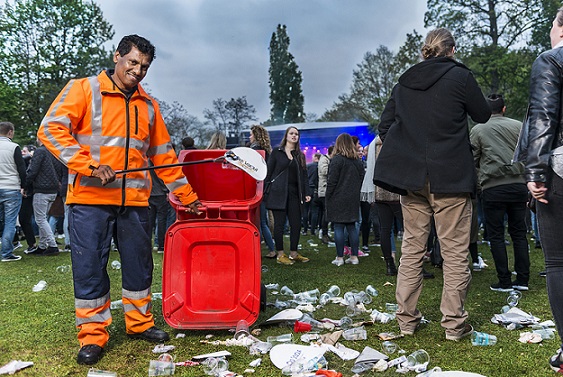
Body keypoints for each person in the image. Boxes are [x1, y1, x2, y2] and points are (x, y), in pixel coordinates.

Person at [38, 34, 202, 366]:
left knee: (140, 267)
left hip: (136, 203)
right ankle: (93, 335)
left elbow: (165, 157)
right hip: (89, 200)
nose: (138, 71)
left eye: (144, 67)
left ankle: (139, 324)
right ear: (117, 57)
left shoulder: (150, 106)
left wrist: (187, 196)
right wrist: (91, 165)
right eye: (132, 63)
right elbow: (51, 129)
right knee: (90, 269)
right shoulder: (83, 89)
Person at [373, 28, 491, 341]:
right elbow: (482, 114)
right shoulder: (460, 77)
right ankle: (454, 325)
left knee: (412, 250)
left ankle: (406, 322)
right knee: (454, 254)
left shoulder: (404, 82)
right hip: (449, 176)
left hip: (412, 179)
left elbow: (384, 127)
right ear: (452, 48)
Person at [514, 7, 563, 371]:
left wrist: (536, 171)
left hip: (560, 170)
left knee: (559, 260)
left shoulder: (551, 60)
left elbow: (544, 117)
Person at [470, 93, 529, 292]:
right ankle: (522, 279)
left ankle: (504, 280)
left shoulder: (478, 129)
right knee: (519, 233)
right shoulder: (519, 126)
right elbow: (528, 152)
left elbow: (473, 159)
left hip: (493, 186)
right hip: (518, 184)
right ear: (504, 108)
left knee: (496, 235)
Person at [263, 126, 310, 265]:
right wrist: (266, 190)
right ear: (286, 136)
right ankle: (280, 254)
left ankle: (294, 253)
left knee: (296, 224)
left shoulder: (299, 155)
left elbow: (304, 175)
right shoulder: (277, 153)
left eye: (296, 134)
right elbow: (268, 173)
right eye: (292, 133)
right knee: (279, 225)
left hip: (295, 193)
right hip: (278, 193)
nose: (294, 136)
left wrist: (307, 192)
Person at [326, 133, 365, 266]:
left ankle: (339, 258)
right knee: (352, 227)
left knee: (338, 227)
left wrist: (328, 196)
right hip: (353, 198)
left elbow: (331, 181)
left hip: (338, 197)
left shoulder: (336, 160)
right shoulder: (357, 162)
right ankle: (354, 257)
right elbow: (361, 179)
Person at [25, 139, 64, 256]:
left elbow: (33, 171)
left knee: (40, 219)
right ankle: (42, 246)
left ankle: (52, 245)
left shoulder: (40, 151)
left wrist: (25, 185)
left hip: (41, 190)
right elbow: (60, 170)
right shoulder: (54, 151)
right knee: (44, 219)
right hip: (53, 190)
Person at [248, 125, 276, 258]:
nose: (249, 137)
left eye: (251, 134)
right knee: (262, 221)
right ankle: (269, 248)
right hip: (265, 190)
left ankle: (267, 249)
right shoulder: (267, 151)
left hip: (257, 190)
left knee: (259, 221)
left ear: (256, 136)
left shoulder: (254, 151)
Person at [0, 122, 26, 262]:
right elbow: (21, 169)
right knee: (10, 222)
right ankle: (6, 253)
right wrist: (24, 185)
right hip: (11, 187)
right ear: (10, 132)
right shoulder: (14, 147)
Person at [317, 146, 334, 244]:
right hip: (324, 190)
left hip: (327, 190)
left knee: (327, 213)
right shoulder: (324, 159)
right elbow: (324, 171)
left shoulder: (327, 160)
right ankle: (324, 234)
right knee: (326, 213)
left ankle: (326, 233)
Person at [302, 153, 320, 236]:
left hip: (306, 189)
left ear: (316, 157)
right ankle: (313, 230)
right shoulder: (320, 166)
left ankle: (305, 230)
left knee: (305, 210)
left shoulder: (308, 166)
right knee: (314, 211)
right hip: (316, 190)